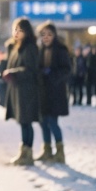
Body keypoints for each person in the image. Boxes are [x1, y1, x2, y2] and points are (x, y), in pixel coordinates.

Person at [3, 18, 39, 166]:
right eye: (15, 29)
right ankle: (25, 151)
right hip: (19, 90)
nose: (17, 33)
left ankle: (27, 153)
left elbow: (31, 70)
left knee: (26, 122)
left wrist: (13, 73)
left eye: (20, 30)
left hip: (27, 90)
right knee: (23, 122)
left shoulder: (30, 47)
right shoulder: (16, 47)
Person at [35, 22, 71, 164]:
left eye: (49, 34)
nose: (46, 37)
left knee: (52, 121)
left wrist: (51, 75)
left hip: (56, 93)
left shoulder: (61, 49)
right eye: (43, 34)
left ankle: (60, 152)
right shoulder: (40, 50)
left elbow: (67, 70)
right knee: (43, 122)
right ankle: (47, 150)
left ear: (54, 35)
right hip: (43, 93)